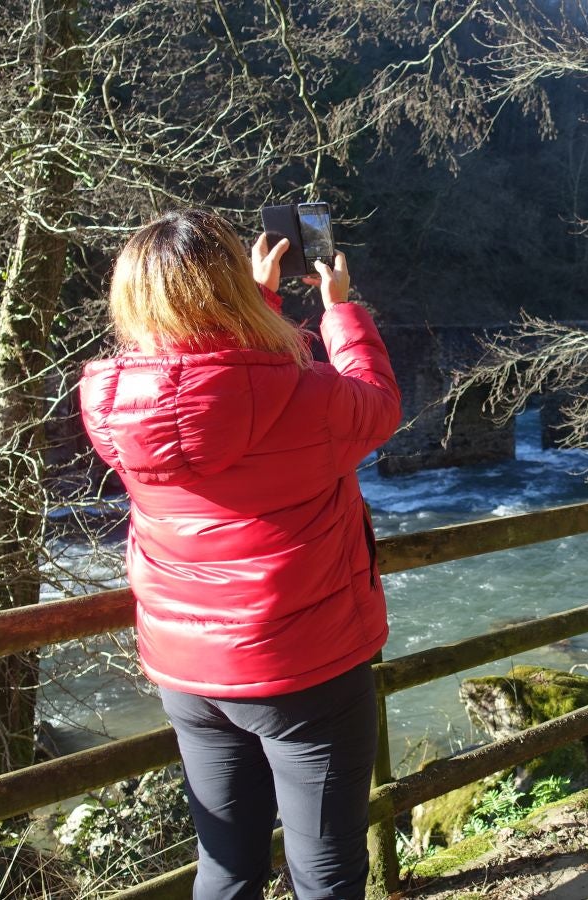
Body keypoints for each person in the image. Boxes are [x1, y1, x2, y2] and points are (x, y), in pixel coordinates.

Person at [79, 208, 401, 899]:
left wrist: (260, 303)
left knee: (226, 866)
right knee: (327, 872)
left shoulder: (113, 403)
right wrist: (338, 310)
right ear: (228, 284)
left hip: (190, 674)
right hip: (305, 667)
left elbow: (209, 387)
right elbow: (375, 404)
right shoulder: (304, 393)